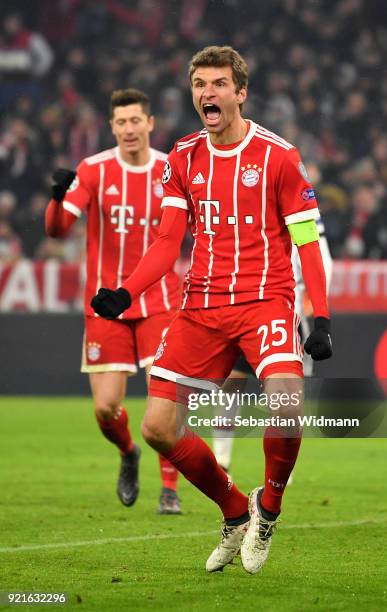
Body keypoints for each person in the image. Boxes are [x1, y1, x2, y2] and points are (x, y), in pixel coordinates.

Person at [91, 47, 332, 574]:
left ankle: (267, 509)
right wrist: (126, 292)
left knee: (286, 406)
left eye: (219, 84)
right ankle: (232, 510)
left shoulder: (279, 156)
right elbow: (166, 242)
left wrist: (323, 318)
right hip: (200, 305)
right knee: (157, 426)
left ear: (240, 93)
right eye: (200, 84)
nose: (207, 93)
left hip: (265, 302)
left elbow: (307, 240)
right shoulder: (182, 158)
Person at [44, 88, 182, 514]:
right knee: (106, 407)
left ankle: (170, 489)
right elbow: (58, 230)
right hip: (106, 303)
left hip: (158, 299)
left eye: (135, 120)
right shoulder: (94, 170)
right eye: (121, 122)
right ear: (112, 127)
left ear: (150, 123)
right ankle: (128, 452)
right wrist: (56, 198)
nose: (128, 129)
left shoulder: (170, 169)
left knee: (167, 401)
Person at [212, 218, 333, 475]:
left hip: (285, 310)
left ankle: (280, 467)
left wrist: (317, 297)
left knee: (281, 392)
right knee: (232, 381)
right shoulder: (250, 198)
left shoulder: (299, 205)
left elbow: (320, 253)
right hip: (244, 307)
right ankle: (221, 458)